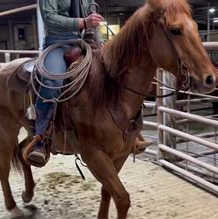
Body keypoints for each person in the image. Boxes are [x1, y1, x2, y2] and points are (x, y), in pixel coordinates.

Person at [28, 0, 151, 166]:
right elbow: (49, 18)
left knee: (114, 74)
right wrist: (83, 22)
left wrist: (94, 28)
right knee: (53, 81)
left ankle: (127, 133)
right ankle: (40, 138)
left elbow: (91, 11)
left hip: (84, 40)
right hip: (57, 42)